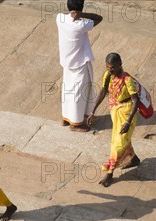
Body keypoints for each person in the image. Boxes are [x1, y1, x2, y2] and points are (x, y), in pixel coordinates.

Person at [88, 53, 141, 187]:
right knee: (121, 140)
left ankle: (110, 173)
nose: (109, 70)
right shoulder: (108, 76)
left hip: (127, 113)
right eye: (107, 67)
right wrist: (92, 111)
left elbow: (136, 100)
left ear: (119, 65)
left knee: (117, 144)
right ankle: (133, 159)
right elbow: (103, 91)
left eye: (112, 67)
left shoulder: (127, 80)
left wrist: (128, 122)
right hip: (115, 111)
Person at [56, 0, 102, 132]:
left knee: (68, 90)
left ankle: (66, 117)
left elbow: (66, 15)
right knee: (78, 93)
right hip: (80, 63)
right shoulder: (82, 24)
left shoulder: (59, 18)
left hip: (67, 63)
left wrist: (75, 12)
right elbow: (99, 18)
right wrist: (82, 14)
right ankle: (76, 123)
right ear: (80, 9)